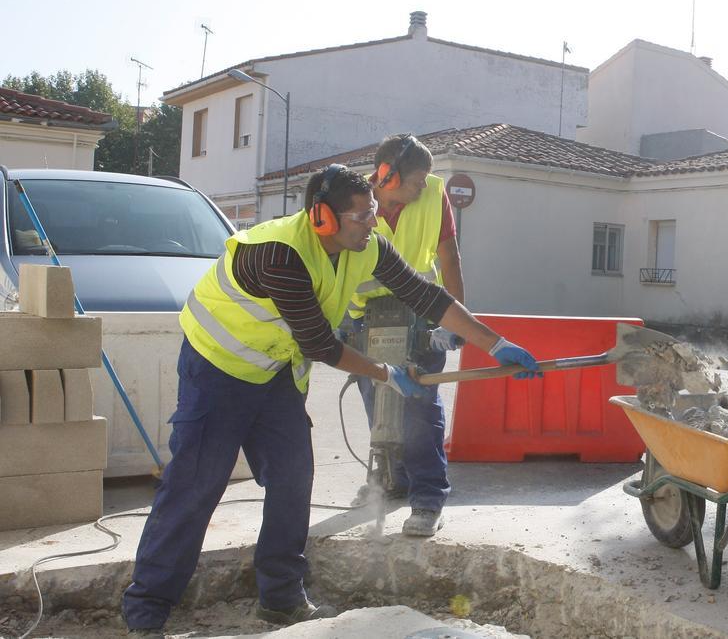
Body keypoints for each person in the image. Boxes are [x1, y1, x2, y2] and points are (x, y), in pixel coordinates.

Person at [121, 165, 540, 637]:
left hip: (275, 372)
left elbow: (424, 294)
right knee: (196, 486)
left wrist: (495, 342)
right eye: (362, 216)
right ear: (323, 218)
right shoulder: (278, 254)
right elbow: (321, 344)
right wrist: (387, 373)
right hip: (217, 370)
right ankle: (146, 612)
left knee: (293, 477)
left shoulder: (367, 247)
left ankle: (281, 598)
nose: (373, 224)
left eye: (374, 213)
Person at [344, 133, 464, 537]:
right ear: (386, 176)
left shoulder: (433, 192)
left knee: (420, 407)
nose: (421, 187)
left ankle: (428, 499)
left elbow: (448, 254)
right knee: (378, 402)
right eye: (415, 180)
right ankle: (391, 481)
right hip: (365, 318)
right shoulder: (355, 199)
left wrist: (454, 319)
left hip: (419, 314)